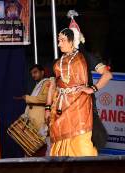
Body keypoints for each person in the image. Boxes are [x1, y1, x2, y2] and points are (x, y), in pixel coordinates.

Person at [45, 28, 112, 156]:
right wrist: (47, 108)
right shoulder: (57, 62)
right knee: (60, 142)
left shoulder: (85, 58)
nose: (59, 44)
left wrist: (92, 88)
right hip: (60, 107)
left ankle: (87, 172)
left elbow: (107, 75)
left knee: (81, 141)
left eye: (62, 41)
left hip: (80, 106)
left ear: (72, 41)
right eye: (59, 41)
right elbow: (52, 86)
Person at [13, 64, 51, 156]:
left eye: (35, 72)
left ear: (42, 72)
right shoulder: (38, 84)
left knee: (44, 147)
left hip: (41, 120)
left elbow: (45, 98)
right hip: (33, 121)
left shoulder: (47, 82)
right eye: (32, 73)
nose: (33, 75)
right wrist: (25, 115)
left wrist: (27, 98)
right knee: (32, 147)